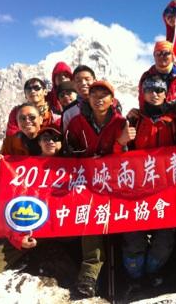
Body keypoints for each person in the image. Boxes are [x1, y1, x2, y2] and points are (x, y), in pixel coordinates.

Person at [0, 109, 62, 293]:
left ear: (41, 119)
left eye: (32, 117)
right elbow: (7, 186)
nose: (50, 142)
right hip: (26, 213)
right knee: (8, 235)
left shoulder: (68, 161)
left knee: (11, 244)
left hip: (54, 219)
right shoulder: (20, 151)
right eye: (22, 118)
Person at [64, 80, 135, 297]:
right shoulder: (76, 123)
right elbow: (69, 152)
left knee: (121, 226)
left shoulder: (121, 122)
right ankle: (89, 275)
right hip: (87, 184)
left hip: (116, 184)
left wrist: (116, 147)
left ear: (112, 100)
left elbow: (131, 159)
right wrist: (86, 160)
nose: (98, 98)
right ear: (88, 98)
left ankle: (129, 274)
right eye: (94, 94)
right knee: (91, 219)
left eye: (103, 94)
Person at [122, 75, 175, 291]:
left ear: (166, 94)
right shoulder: (134, 119)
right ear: (143, 93)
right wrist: (122, 141)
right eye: (150, 89)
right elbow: (121, 154)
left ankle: (155, 271)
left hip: (166, 186)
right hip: (138, 187)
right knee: (134, 235)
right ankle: (134, 276)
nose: (155, 94)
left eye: (160, 90)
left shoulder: (174, 119)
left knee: (164, 237)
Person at [138, 40, 176, 109]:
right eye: (158, 53)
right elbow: (142, 101)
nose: (162, 56)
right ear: (154, 56)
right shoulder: (146, 76)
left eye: (166, 53)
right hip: (153, 116)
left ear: (172, 55)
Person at [61, 65, 97, 132]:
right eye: (78, 81)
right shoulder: (69, 112)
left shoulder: (107, 103)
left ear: (95, 81)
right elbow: (66, 139)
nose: (83, 83)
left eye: (87, 79)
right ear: (74, 84)